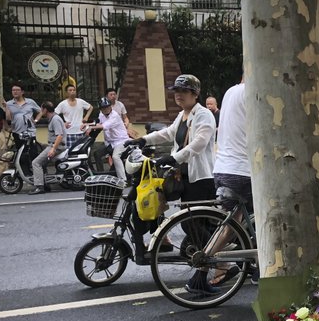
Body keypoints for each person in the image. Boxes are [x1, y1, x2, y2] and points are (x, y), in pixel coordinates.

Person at [187, 77, 255, 294]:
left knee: (231, 225)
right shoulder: (254, 93)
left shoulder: (230, 91)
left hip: (223, 167)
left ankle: (201, 276)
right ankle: (258, 267)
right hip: (242, 170)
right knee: (272, 215)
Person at [125, 74, 216, 204]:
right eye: (176, 91)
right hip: (184, 176)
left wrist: (174, 158)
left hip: (200, 177)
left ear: (195, 94)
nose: (179, 94)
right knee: (187, 220)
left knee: (199, 220)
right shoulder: (182, 114)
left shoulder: (203, 115)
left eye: (184, 91)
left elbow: (199, 143)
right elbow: (168, 133)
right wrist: (143, 140)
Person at [88, 97, 130, 181]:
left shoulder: (114, 116)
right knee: (97, 154)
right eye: (103, 108)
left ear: (110, 106)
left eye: (107, 107)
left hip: (121, 141)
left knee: (115, 157)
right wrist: (86, 124)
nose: (106, 109)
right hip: (110, 143)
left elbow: (104, 126)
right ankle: (101, 176)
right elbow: (98, 121)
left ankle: (123, 179)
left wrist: (90, 128)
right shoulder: (101, 114)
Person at [28, 102, 66, 195]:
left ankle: (39, 186)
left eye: (41, 110)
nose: (41, 111)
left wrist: (53, 149)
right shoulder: (53, 118)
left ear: (45, 110)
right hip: (53, 144)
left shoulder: (55, 119)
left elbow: (59, 136)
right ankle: (45, 184)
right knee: (42, 162)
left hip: (57, 146)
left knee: (36, 162)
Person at [55, 85, 92, 150]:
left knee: (81, 151)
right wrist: (62, 124)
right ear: (66, 92)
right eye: (70, 90)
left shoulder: (80, 101)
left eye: (74, 90)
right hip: (69, 133)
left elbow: (90, 107)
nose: (72, 92)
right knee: (69, 152)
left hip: (80, 131)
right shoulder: (63, 104)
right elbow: (54, 115)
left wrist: (86, 117)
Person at [6, 83, 41, 150]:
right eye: (13, 90)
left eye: (17, 90)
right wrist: (8, 127)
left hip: (30, 132)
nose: (15, 92)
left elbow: (40, 111)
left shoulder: (30, 102)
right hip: (17, 131)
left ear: (22, 92)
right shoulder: (9, 104)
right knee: (20, 152)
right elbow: (7, 119)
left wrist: (36, 120)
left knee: (32, 151)